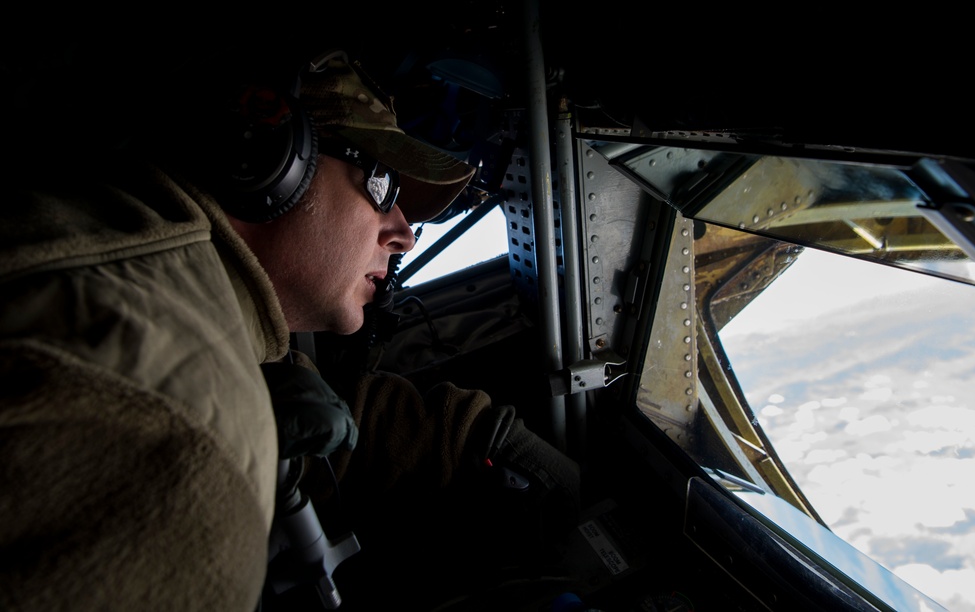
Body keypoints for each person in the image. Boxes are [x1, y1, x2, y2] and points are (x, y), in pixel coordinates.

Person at [0, 49, 577, 611]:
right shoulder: (184, 437)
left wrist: (477, 436)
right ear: (273, 157)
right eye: (383, 187)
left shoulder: (148, 254)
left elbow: (301, 396)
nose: (405, 234)